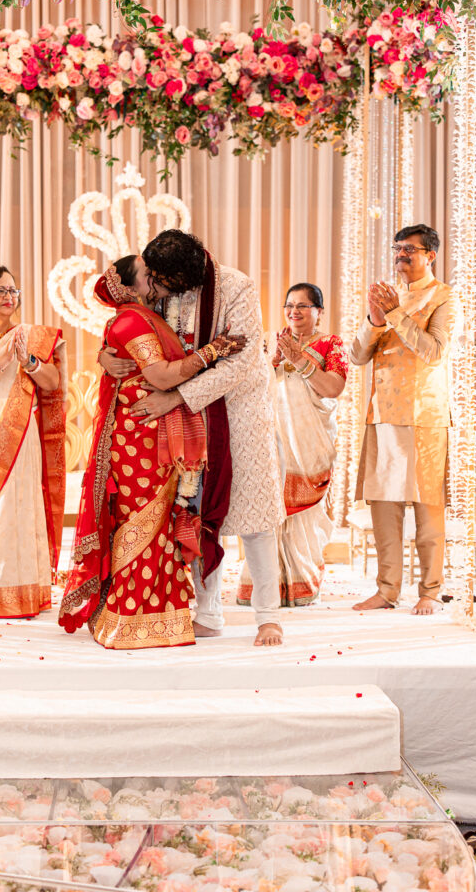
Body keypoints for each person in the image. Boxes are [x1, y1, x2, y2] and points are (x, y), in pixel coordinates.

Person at [109, 230, 286, 647]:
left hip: (241, 415)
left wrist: (178, 397)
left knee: (256, 519)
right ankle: (207, 612)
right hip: (189, 421)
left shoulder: (237, 287)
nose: (156, 287)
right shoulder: (164, 289)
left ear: (187, 277)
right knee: (195, 510)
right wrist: (107, 352)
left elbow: (242, 359)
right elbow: (126, 316)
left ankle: (268, 616)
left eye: (162, 281)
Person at [58, 256, 246, 650]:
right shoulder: (133, 320)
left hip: (147, 434)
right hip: (138, 438)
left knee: (155, 523)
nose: (155, 278)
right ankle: (132, 616)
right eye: (147, 274)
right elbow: (160, 376)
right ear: (130, 286)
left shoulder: (144, 315)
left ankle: (147, 614)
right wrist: (215, 350)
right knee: (144, 522)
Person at [350, 224, 456, 615]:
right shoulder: (388, 300)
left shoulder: (444, 297)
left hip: (424, 416)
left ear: (430, 255)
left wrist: (394, 312)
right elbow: (357, 356)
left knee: (427, 506)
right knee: (383, 505)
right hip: (382, 415)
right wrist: (376, 320)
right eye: (397, 248)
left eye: (409, 249)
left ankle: (430, 590)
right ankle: (386, 590)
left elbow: (434, 352)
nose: (401, 255)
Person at [237, 283, 348, 607]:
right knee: (269, 511)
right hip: (272, 440)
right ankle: (263, 584)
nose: (294, 311)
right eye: (289, 305)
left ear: (319, 312)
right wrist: (268, 363)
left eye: (303, 305)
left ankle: (300, 582)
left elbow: (332, 388)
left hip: (310, 443)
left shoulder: (331, 343)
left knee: (302, 519)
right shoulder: (273, 341)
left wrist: (300, 360)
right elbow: (248, 387)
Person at [0, 266, 68, 618]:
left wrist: (27, 359)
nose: (8, 297)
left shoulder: (31, 336)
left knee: (17, 510)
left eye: (13, 290)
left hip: (19, 433)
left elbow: (52, 381)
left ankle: (22, 589)